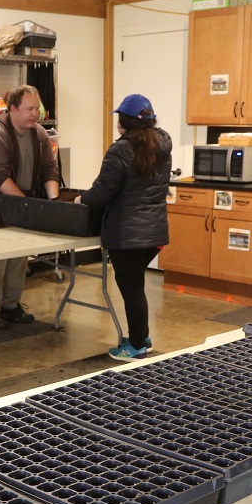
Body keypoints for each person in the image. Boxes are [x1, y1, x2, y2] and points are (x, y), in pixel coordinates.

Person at [80, 94, 171, 362]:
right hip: (155, 232)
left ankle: (137, 345)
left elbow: (102, 192)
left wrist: (80, 199)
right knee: (136, 284)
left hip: (128, 233)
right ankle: (142, 337)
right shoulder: (162, 145)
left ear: (124, 123)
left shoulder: (120, 150)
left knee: (131, 287)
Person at [0, 84, 61, 329]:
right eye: (29, 109)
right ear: (12, 109)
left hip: (19, 205)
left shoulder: (39, 134)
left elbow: (49, 170)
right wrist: (28, 206)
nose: (35, 114)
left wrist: (54, 203)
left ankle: (10, 306)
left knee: (19, 256)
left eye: (37, 109)